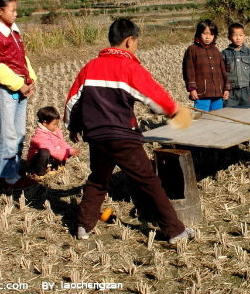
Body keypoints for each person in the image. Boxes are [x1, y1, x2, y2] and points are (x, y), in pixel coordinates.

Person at [65, 18, 193, 243]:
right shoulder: (129, 66)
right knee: (149, 182)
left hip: (96, 136)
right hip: (122, 136)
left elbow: (73, 100)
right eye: (136, 42)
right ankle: (175, 231)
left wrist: (73, 126)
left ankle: (83, 226)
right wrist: (173, 111)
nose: (136, 46)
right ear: (128, 41)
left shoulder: (90, 67)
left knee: (98, 179)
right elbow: (154, 96)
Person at [0, 0, 37, 190]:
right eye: (12, 10)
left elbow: (21, 58)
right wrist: (19, 85)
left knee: (19, 132)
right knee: (8, 134)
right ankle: (7, 179)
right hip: (5, 89)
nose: (16, 14)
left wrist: (30, 79)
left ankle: (12, 172)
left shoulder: (12, 30)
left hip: (20, 87)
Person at [222, 22, 250, 148]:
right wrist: (224, 89)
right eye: (235, 35)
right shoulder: (224, 54)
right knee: (230, 115)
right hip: (231, 92)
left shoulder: (249, 53)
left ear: (245, 36)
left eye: (241, 35)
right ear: (229, 37)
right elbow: (222, 73)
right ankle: (232, 140)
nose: (238, 38)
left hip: (247, 91)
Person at [182, 19, 230, 112]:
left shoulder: (216, 51)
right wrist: (192, 89)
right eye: (205, 33)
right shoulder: (192, 50)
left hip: (218, 93)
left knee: (218, 118)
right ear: (199, 33)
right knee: (202, 120)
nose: (208, 37)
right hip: (201, 93)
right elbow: (188, 71)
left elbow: (223, 72)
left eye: (211, 34)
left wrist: (226, 88)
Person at [27, 106, 79, 180]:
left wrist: (70, 149)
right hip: (36, 162)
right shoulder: (40, 135)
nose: (56, 126)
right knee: (45, 152)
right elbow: (51, 150)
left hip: (49, 158)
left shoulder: (55, 130)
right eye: (54, 124)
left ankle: (52, 167)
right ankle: (39, 173)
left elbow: (62, 143)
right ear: (44, 123)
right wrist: (67, 152)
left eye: (57, 124)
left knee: (61, 149)